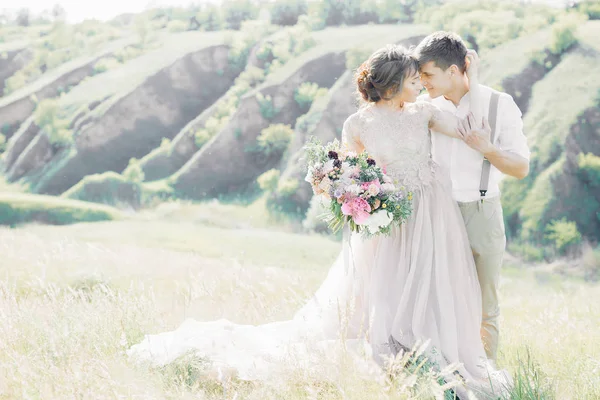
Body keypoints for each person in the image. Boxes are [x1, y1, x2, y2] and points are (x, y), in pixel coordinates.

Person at [128, 44, 508, 398]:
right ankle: (397, 349)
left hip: (431, 209)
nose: (420, 86)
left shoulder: (423, 112)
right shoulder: (358, 124)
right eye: (413, 80)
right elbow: (350, 168)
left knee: (430, 274)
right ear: (392, 85)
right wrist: (348, 190)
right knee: (386, 282)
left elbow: (464, 123)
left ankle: (433, 343)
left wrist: (471, 80)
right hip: (391, 213)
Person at [416, 31, 531, 365]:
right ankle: (445, 375)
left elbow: (521, 167)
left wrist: (489, 150)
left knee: (485, 305)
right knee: (438, 300)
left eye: (428, 74)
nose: (422, 81)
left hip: (483, 211)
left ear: (453, 71)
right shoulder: (425, 109)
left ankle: (485, 380)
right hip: (437, 213)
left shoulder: (499, 104)